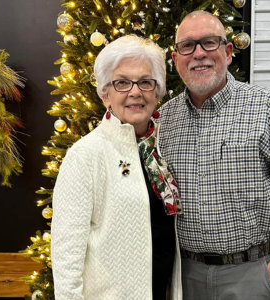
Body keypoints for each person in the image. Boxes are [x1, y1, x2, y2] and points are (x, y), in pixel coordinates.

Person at [156, 11, 270, 300]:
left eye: (209, 42)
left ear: (228, 51)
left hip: (253, 276)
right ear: (175, 57)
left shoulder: (268, 108)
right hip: (184, 276)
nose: (198, 54)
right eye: (187, 46)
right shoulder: (164, 120)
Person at [51, 35, 183, 300]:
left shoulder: (160, 150)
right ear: (105, 95)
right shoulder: (86, 155)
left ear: (157, 92)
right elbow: (67, 253)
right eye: (122, 82)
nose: (135, 92)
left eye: (145, 82)